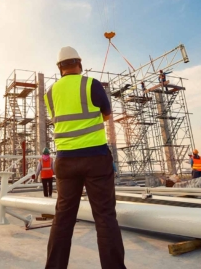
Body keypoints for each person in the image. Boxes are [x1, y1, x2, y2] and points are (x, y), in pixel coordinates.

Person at [44, 46, 126, 269]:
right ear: (79, 63)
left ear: (59, 68)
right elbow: (107, 113)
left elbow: (58, 119)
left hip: (65, 161)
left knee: (63, 218)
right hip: (95, 158)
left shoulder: (49, 93)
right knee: (105, 216)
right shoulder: (91, 84)